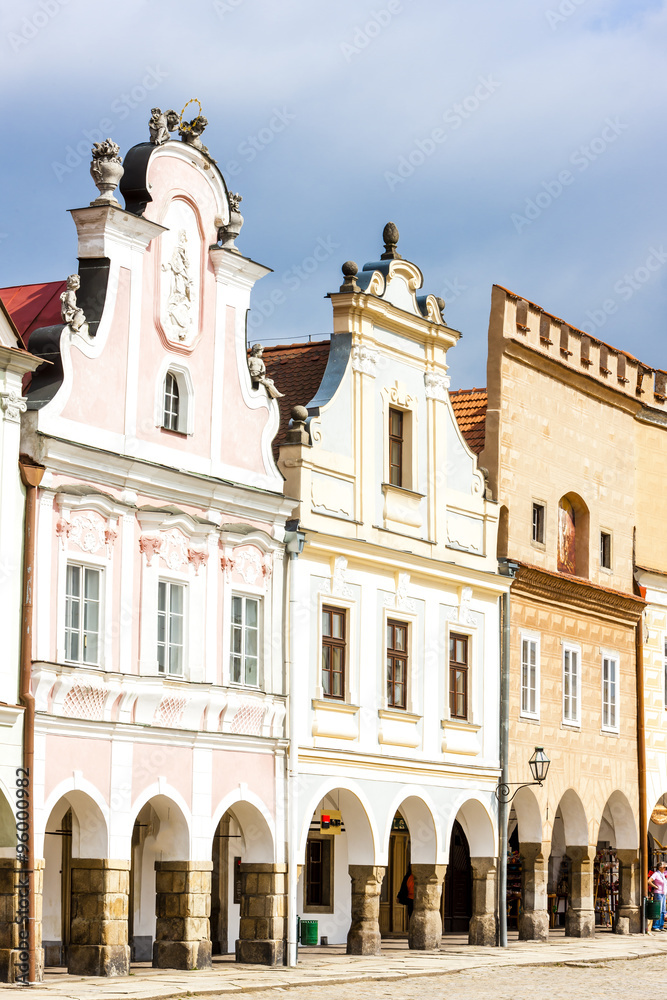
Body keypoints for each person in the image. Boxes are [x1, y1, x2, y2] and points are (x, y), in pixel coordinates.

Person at [648, 860, 667, 931]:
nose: (665, 869)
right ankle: (656, 926)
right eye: (664, 867)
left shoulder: (662, 874)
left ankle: (661, 925)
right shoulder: (656, 874)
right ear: (660, 867)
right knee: (658, 909)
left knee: (663, 910)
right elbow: (649, 881)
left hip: (663, 893)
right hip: (658, 893)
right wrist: (655, 886)